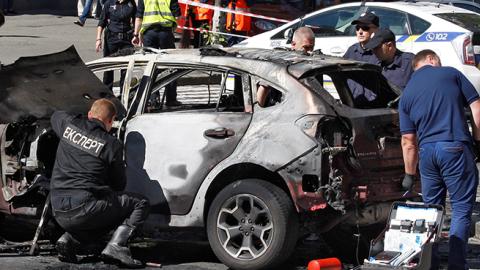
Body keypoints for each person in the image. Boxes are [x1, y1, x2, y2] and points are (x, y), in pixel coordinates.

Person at [399, 49, 480, 270]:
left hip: (427, 155)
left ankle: (429, 265)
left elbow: (408, 141)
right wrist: (478, 141)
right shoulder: (450, 73)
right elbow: (477, 108)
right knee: (462, 209)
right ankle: (456, 266)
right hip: (454, 147)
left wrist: (409, 174)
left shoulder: (406, 94)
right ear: (432, 60)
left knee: (431, 211)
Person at [50, 99, 150, 268]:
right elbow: (119, 185)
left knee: (101, 210)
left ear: (90, 114)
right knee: (139, 203)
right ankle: (116, 246)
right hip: (84, 210)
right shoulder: (112, 145)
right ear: (111, 121)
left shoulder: (69, 124)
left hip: (58, 211)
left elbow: (56, 115)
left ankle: (69, 239)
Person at [132, 0, 182, 106]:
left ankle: (153, 99)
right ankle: (171, 98)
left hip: (149, 34)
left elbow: (139, 16)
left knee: (150, 66)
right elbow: (177, 16)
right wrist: (172, 27)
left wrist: (136, 34)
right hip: (165, 33)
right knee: (171, 66)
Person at [257, 27, 315, 107]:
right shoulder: (280, 63)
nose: (310, 52)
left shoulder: (314, 64)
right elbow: (264, 88)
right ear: (293, 44)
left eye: (312, 47)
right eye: (306, 47)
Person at [96, 0, 136, 91]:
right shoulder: (109, 3)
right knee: (109, 67)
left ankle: (124, 93)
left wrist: (136, 35)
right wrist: (98, 39)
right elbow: (102, 22)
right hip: (112, 37)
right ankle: (107, 93)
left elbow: (136, 20)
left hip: (127, 38)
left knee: (126, 68)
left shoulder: (131, 3)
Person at [343, 12, 380, 104]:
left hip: (374, 105)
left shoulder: (380, 51)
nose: (360, 31)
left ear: (376, 30)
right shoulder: (352, 50)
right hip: (354, 102)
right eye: (357, 28)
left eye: (365, 28)